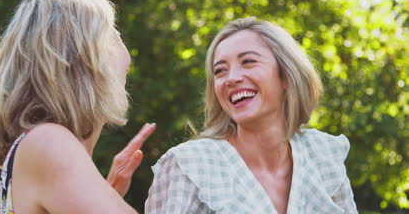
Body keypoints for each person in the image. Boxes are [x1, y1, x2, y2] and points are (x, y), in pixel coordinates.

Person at [0, 0, 156, 214]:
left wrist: (108, 194)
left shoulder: (39, 145)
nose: (126, 53)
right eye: (114, 37)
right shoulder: (48, 141)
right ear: (84, 60)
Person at [145, 17, 358, 213]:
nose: (232, 78)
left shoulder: (324, 155)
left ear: (286, 75)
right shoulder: (190, 164)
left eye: (248, 61)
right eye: (220, 70)